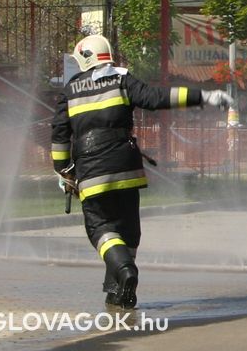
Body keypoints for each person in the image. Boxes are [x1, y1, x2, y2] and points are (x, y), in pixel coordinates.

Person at [50, 34, 233, 310]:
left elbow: (59, 135)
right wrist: (204, 96)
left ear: (83, 59)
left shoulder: (69, 90)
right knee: (127, 231)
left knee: (99, 228)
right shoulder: (122, 78)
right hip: (127, 167)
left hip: (92, 170)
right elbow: (156, 97)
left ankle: (125, 272)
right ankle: (117, 292)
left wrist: (63, 171)